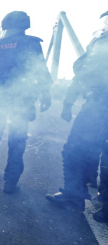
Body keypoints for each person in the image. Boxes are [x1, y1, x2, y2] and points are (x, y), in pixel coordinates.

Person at [0, 11, 52, 194]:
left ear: (5, 25)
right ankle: (10, 183)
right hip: (21, 99)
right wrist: (46, 94)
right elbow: (40, 71)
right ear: (25, 25)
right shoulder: (31, 44)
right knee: (17, 141)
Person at [46, 11, 108, 211]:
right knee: (96, 150)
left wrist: (68, 102)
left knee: (74, 149)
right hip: (99, 102)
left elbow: (85, 71)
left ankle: (75, 195)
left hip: (100, 103)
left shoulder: (101, 43)